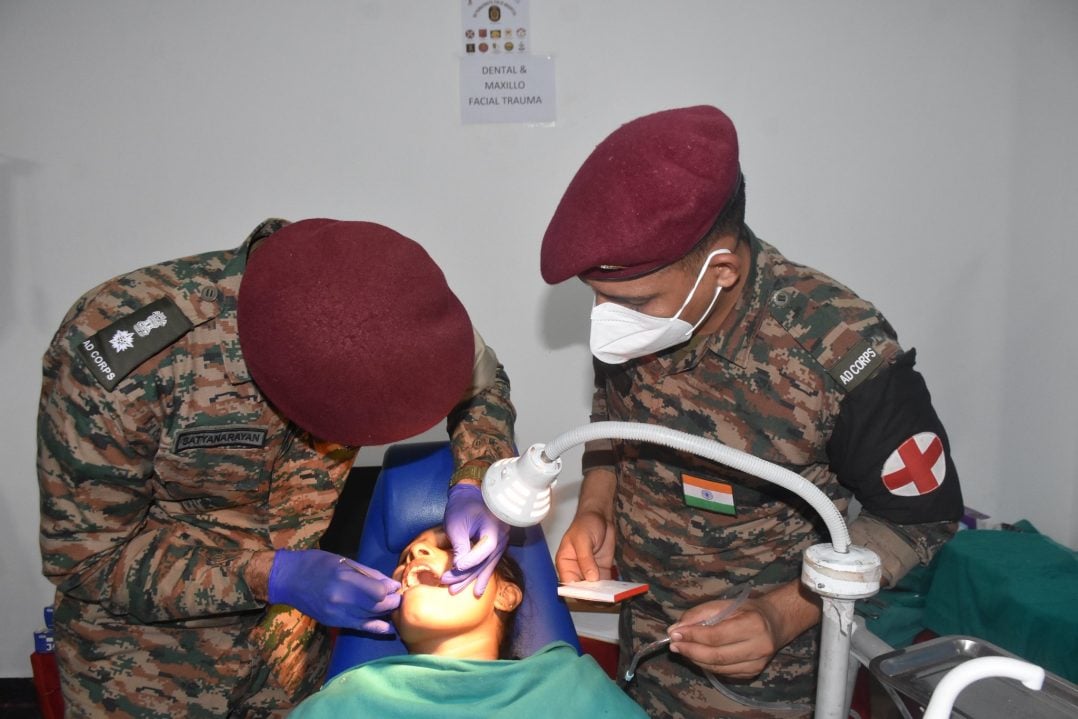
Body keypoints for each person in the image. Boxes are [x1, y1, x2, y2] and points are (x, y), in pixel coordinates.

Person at [540, 106, 964, 717]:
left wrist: (782, 612)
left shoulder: (835, 348)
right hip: (647, 648)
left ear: (722, 270)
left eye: (629, 301)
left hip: (770, 679)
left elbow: (922, 518)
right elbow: (613, 416)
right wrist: (597, 504)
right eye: (598, 298)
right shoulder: (647, 315)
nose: (608, 319)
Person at [37, 218, 515, 717]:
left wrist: (477, 479)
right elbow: (85, 558)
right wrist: (273, 575)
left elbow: (482, 383)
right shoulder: (128, 357)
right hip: (141, 670)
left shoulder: (387, 308)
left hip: (289, 661)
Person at [288, 525, 649, 718]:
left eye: (447, 546)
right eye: (404, 557)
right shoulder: (345, 700)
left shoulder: (571, 684)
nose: (414, 554)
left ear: (506, 594)